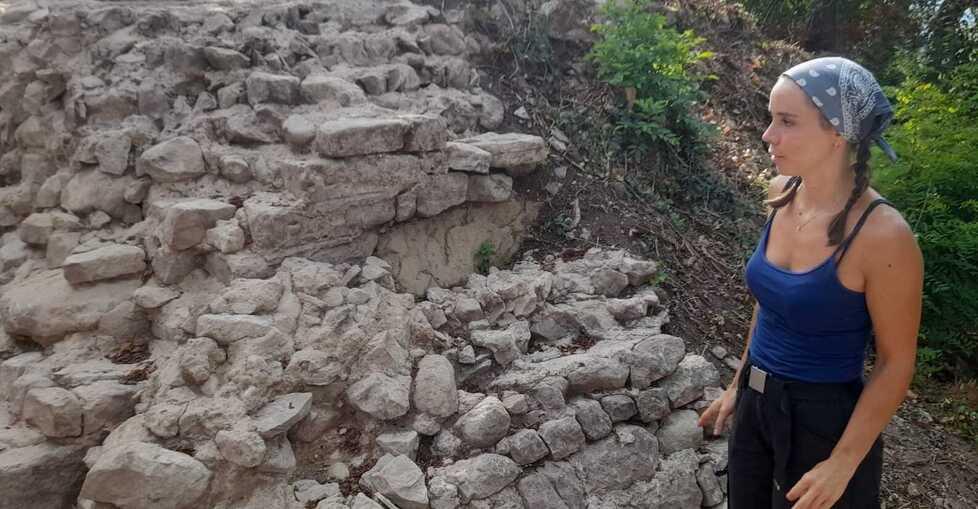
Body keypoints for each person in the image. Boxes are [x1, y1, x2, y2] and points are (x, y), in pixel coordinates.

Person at [697, 56, 924, 509]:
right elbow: (769, 304)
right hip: (756, 407)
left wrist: (843, 463)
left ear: (837, 134)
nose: (767, 135)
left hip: (824, 423)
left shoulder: (884, 236)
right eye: (770, 118)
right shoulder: (782, 194)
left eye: (786, 121)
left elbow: (896, 364)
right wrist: (738, 385)